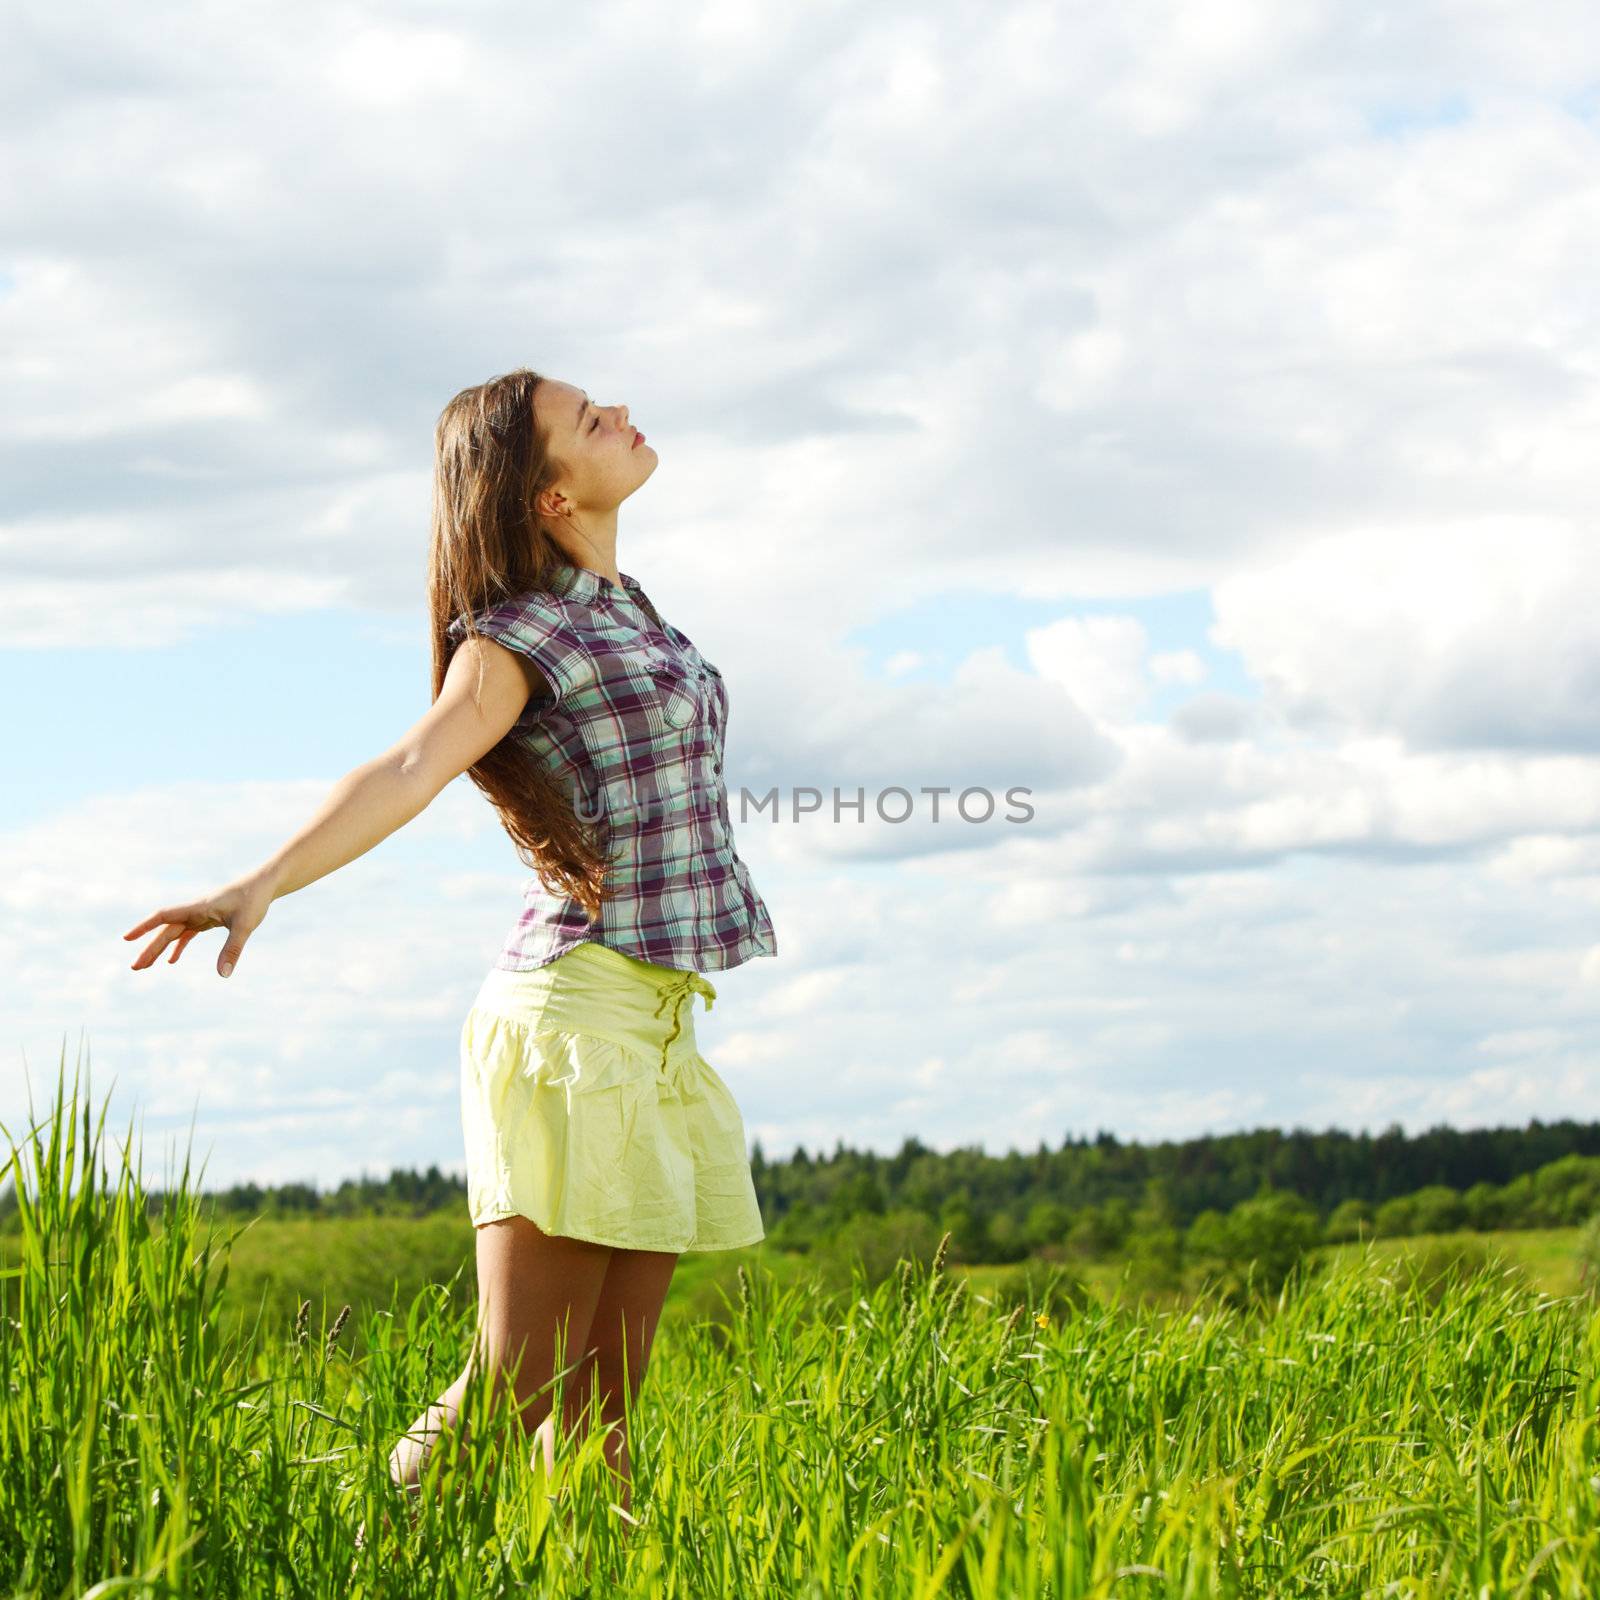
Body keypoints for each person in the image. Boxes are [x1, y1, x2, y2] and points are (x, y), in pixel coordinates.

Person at [121, 366, 779, 1539]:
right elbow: (413, 765)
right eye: (590, 419)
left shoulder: (629, 606)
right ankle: (352, 1552)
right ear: (546, 496)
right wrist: (258, 881)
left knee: (603, 1404)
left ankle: (586, 1569)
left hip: (656, 1027)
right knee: (515, 1382)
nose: (621, 410)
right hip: (572, 1020)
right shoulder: (514, 635)